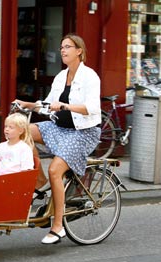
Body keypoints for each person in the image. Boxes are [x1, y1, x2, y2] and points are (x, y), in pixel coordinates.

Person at [14, 34, 101, 244]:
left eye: (68, 47)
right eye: (61, 47)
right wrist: (27, 104)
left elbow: (92, 108)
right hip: (58, 128)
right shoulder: (61, 76)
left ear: (79, 51)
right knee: (23, 131)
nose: (63, 50)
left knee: (56, 169)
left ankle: (58, 226)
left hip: (82, 132)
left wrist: (65, 106)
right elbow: (47, 104)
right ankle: (41, 184)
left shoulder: (90, 77)